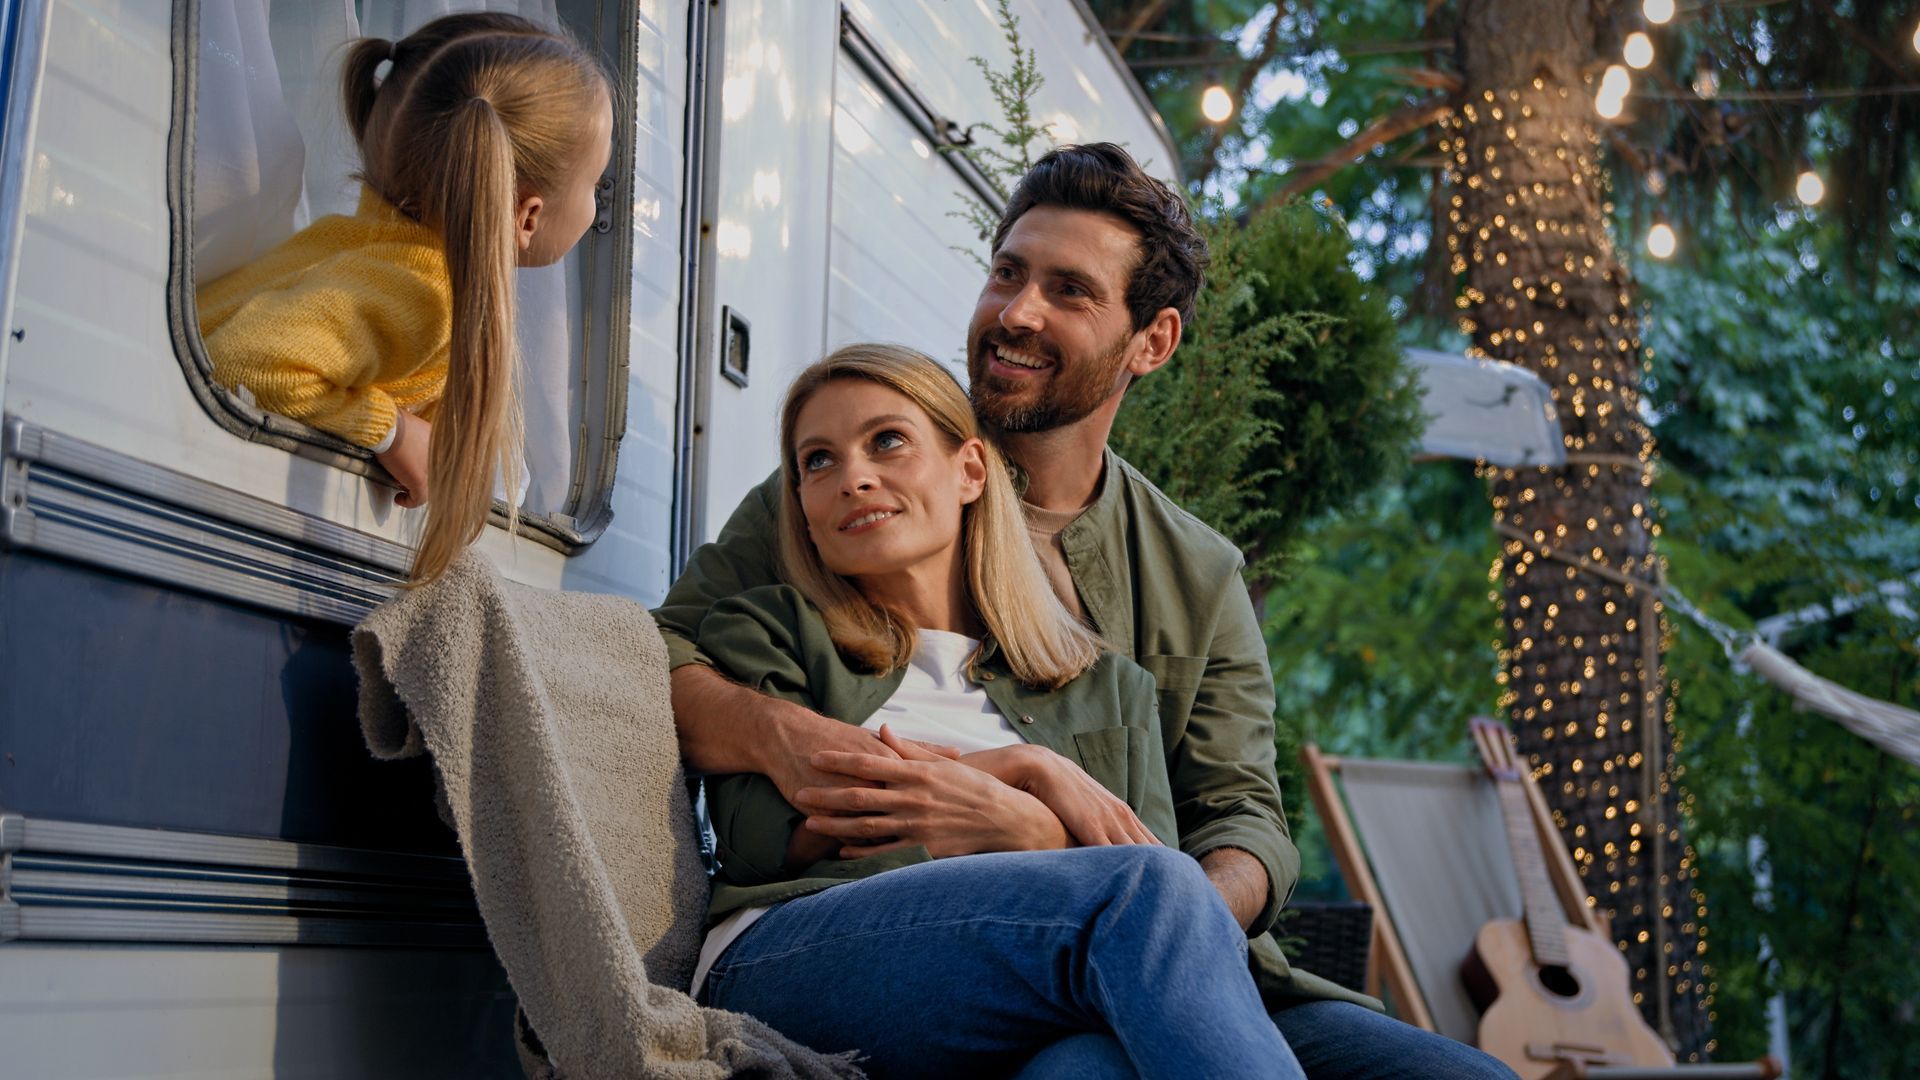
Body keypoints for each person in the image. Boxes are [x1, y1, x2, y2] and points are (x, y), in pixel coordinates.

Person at [659, 143, 1513, 1078]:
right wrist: (783, 737)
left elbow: (1245, 823)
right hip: (889, 932)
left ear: (1152, 341)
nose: (1017, 312)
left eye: (1069, 290)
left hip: (1152, 951)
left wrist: (1123, 897)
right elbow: (659, 658)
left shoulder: (1194, 575)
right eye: (1007, 273)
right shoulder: (850, 501)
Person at [694, 343, 1302, 1077]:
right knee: (1150, 891)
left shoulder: (1109, 686)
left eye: (887, 441)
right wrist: (1022, 770)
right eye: (817, 461)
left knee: (1093, 1067)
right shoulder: (768, 630)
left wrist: (1027, 831)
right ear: (803, 512)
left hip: (1014, 990)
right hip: (797, 956)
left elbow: (1167, 906)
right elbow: (757, 838)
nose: (853, 477)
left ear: (971, 472)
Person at [195, 13, 612, 582]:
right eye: (596, 185)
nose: (596, 205)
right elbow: (243, 362)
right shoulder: (422, 294)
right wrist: (393, 431)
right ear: (528, 216)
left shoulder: (358, 245)